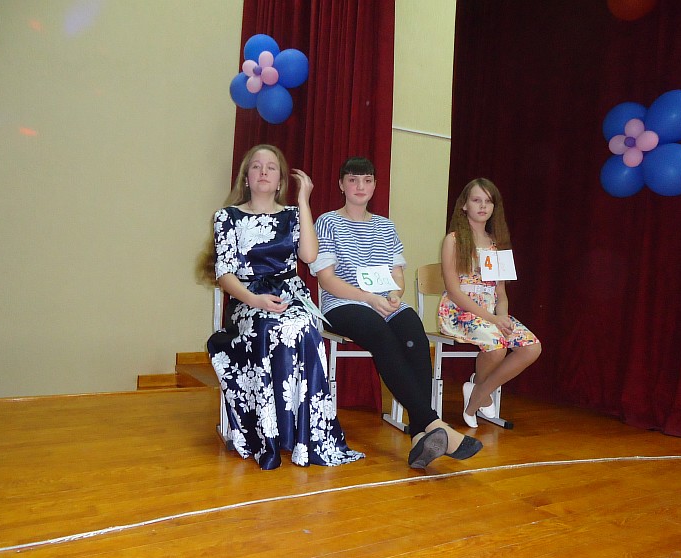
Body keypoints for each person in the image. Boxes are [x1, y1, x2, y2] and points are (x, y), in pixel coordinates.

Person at [310, 157, 482, 469]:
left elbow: (397, 274)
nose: (360, 186)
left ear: (375, 185)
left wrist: (394, 294)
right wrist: (368, 298)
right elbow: (327, 280)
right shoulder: (328, 222)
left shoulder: (385, 226)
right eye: (353, 180)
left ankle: (420, 436)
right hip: (344, 303)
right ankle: (433, 423)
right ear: (341, 185)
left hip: (384, 302)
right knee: (381, 333)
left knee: (414, 330)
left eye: (367, 180)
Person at [199, 144, 364, 470]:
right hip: (248, 299)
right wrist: (254, 300)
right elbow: (225, 274)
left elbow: (310, 256)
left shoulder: (292, 215)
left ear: (280, 180)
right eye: (256, 166)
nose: (263, 172)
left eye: (271, 167)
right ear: (246, 177)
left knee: (303, 327)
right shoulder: (227, 217)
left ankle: (305, 438)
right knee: (268, 327)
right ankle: (270, 435)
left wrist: (303, 201)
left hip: (291, 296)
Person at [438, 178, 541, 428]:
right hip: (459, 311)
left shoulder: (498, 244)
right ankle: (478, 399)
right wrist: (493, 319)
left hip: (491, 313)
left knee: (532, 348)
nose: (483, 206)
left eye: (488, 201)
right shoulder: (453, 240)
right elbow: (454, 291)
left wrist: (502, 316)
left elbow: (501, 293)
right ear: (464, 205)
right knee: (497, 347)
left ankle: (478, 391)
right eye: (477, 200)